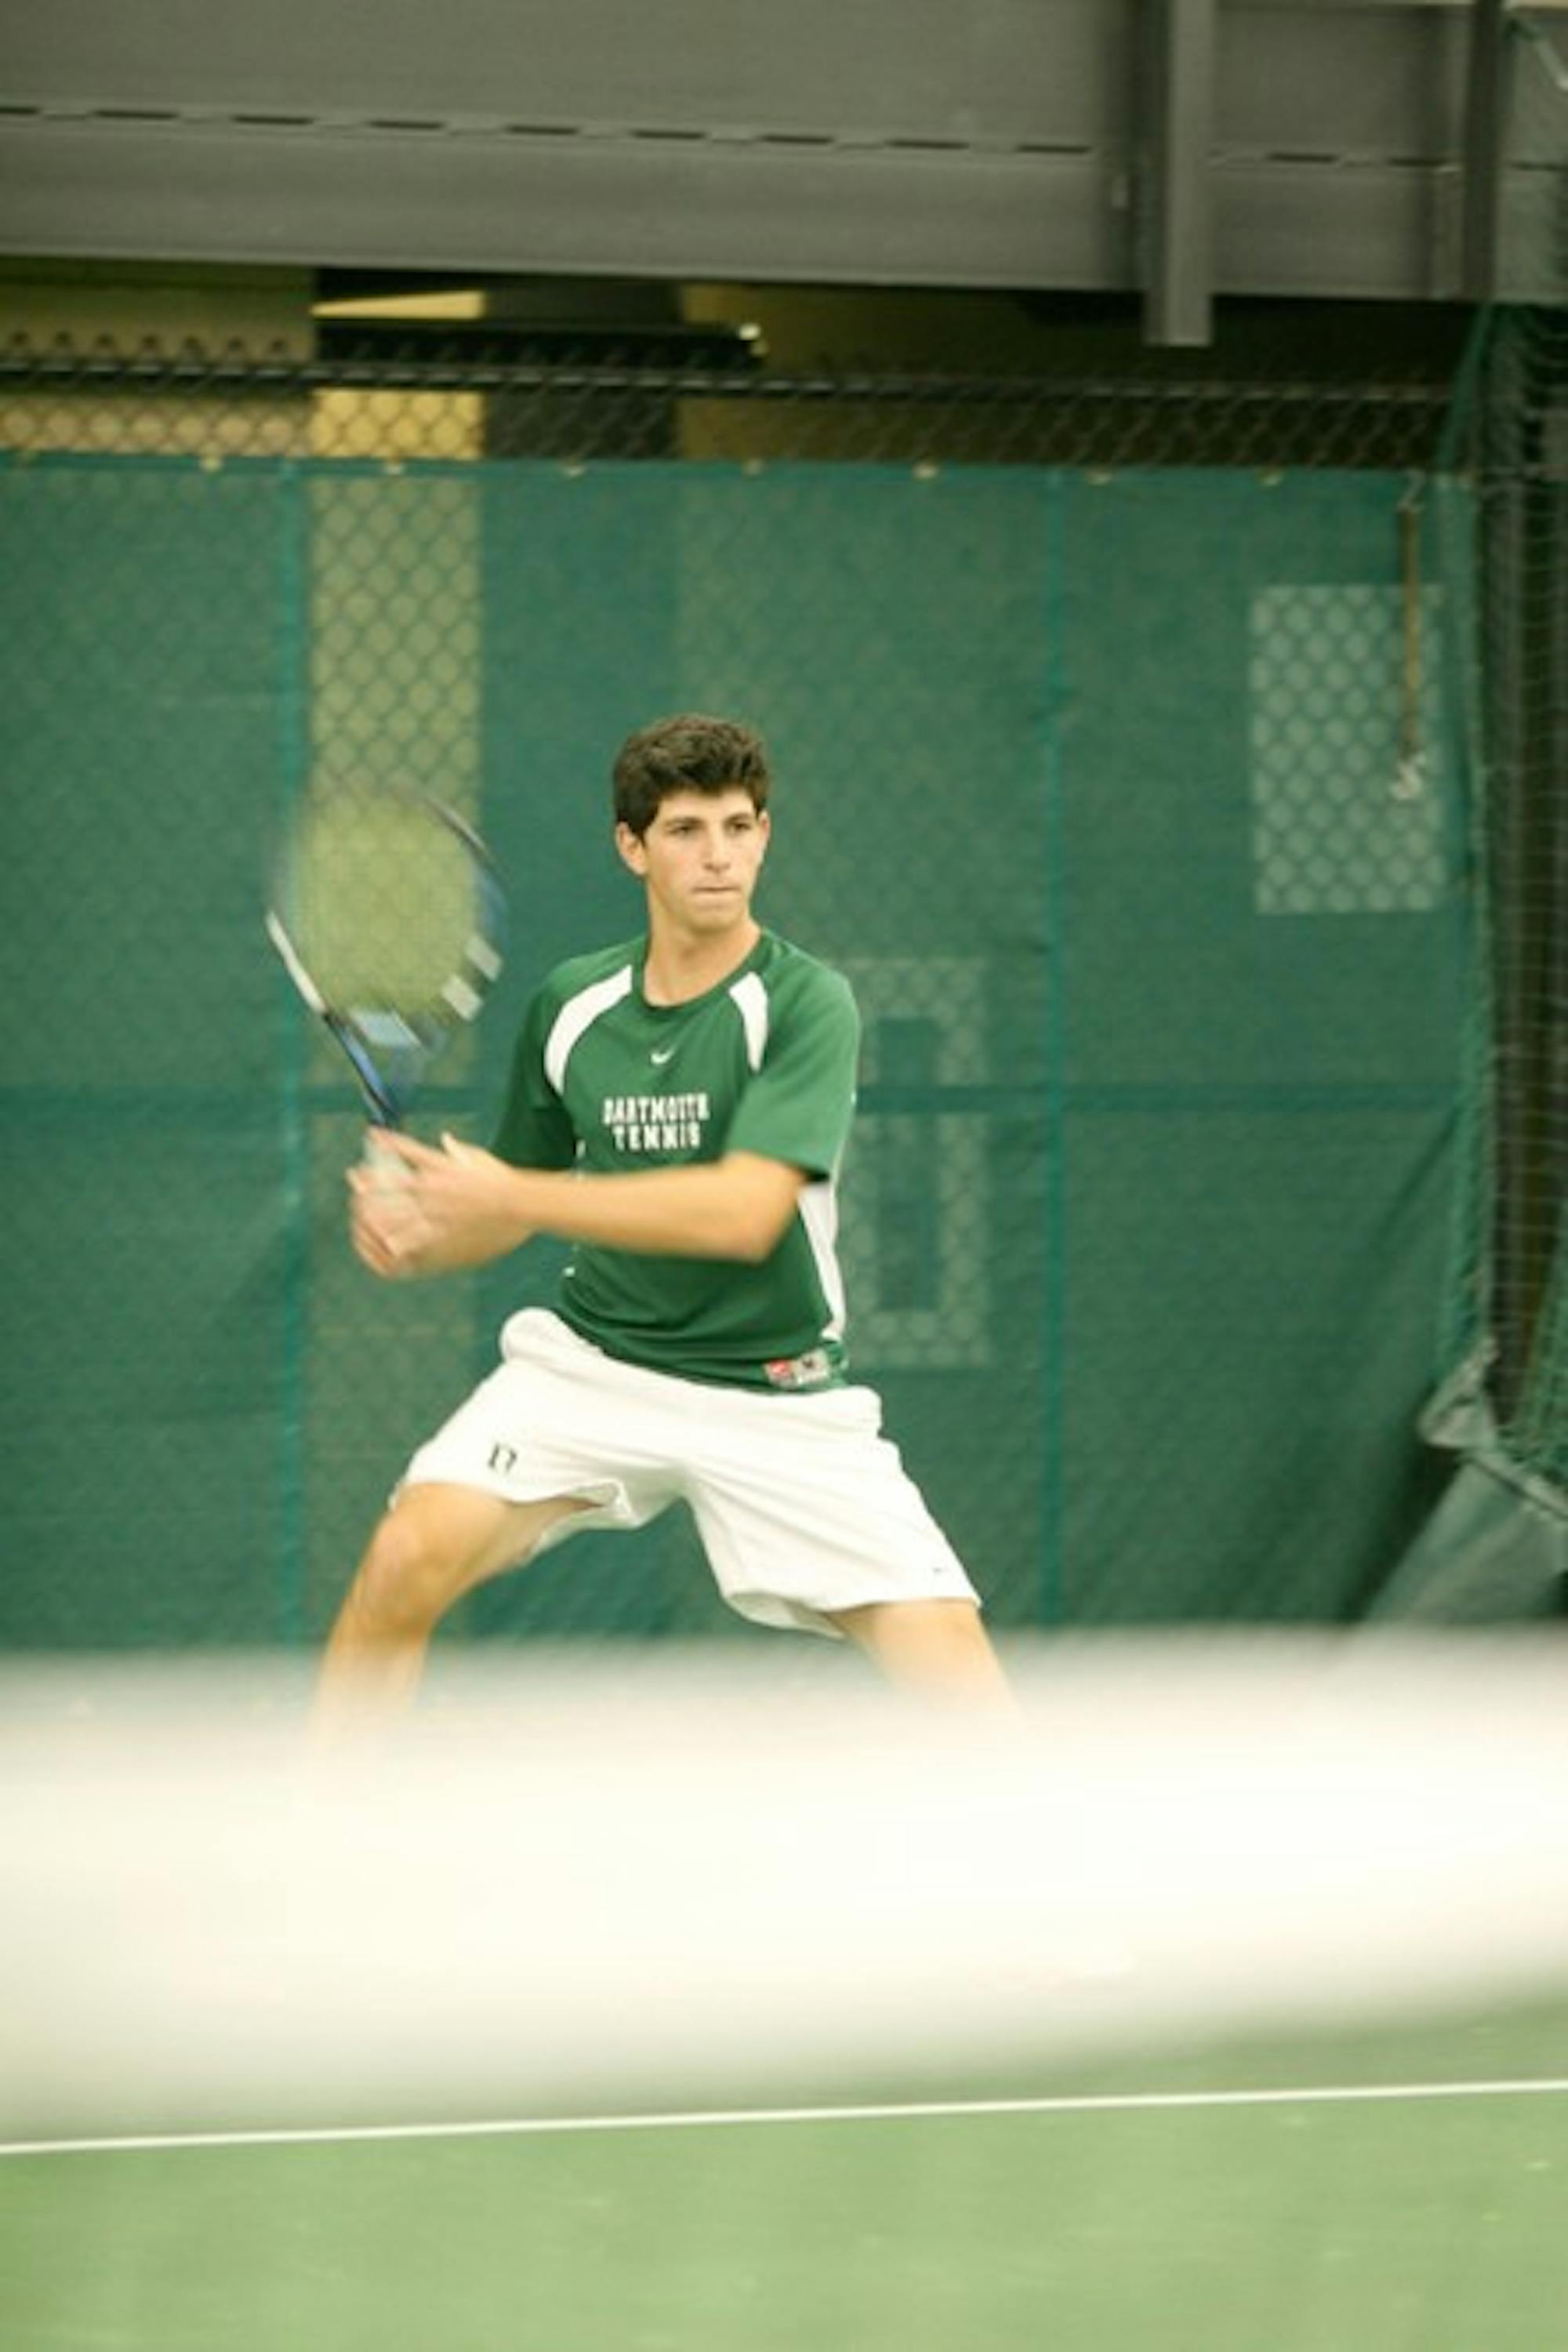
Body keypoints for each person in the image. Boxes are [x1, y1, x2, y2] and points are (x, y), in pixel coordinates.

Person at [320, 713, 1011, 1723]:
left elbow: (742, 1213)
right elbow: (505, 1203)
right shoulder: (573, 1007)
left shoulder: (808, 1001)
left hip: (778, 1392)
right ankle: (325, 1845)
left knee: (966, 1696)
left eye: (739, 826)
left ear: (765, 834)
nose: (719, 855)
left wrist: (506, 1195)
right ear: (632, 847)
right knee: (401, 1563)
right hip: (595, 1367)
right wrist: (422, 1229)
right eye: (686, 830)